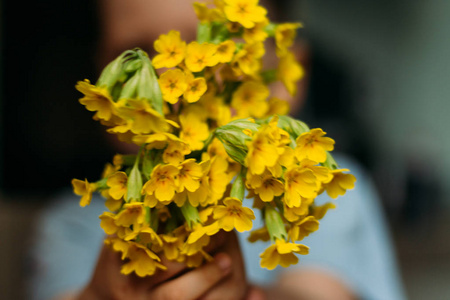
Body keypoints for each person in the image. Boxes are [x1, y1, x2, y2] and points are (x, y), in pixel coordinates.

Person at [26, 1, 406, 299]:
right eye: (136, 52)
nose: (167, 76)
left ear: (286, 77)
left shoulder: (324, 187)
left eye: (211, 48)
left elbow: (319, 293)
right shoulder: (73, 223)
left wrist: (250, 296)